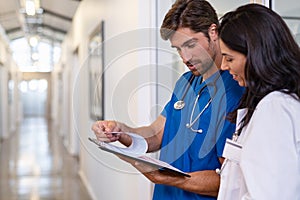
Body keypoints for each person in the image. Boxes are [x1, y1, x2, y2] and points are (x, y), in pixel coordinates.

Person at [92, 0, 244, 199]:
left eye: (190, 44)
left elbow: (231, 181)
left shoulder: (238, 91)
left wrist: (163, 178)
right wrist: (120, 131)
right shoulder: (185, 82)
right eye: (178, 49)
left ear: (213, 32)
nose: (185, 57)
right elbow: (156, 136)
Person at [217, 3, 300, 200]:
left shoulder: (275, 107)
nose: (223, 66)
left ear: (255, 55)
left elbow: (271, 195)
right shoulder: (275, 103)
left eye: (229, 59)